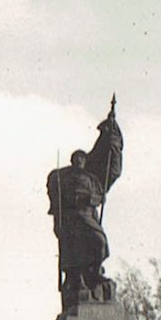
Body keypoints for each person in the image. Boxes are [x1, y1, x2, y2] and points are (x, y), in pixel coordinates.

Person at [46, 100, 123, 306]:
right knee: (75, 251)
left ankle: (95, 274)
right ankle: (79, 278)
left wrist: (97, 198)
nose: (80, 161)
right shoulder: (64, 177)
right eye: (76, 159)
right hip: (74, 218)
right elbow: (59, 196)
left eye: (82, 158)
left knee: (100, 243)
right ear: (72, 161)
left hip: (89, 216)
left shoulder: (92, 179)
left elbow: (101, 189)